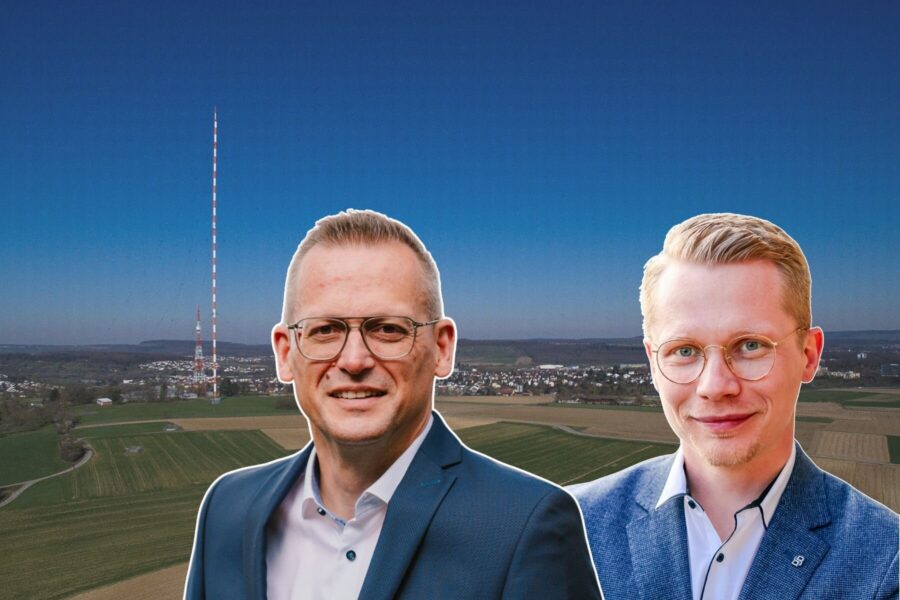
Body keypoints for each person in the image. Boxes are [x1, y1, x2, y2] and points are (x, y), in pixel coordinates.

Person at [185, 209, 601, 599]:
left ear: (441, 349)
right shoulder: (227, 508)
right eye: (325, 329)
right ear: (285, 352)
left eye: (387, 329)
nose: (353, 361)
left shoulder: (524, 525)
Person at [571, 213, 899, 600]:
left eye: (750, 346)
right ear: (652, 364)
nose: (715, 386)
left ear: (809, 355)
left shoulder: (885, 561)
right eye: (685, 351)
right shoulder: (569, 526)